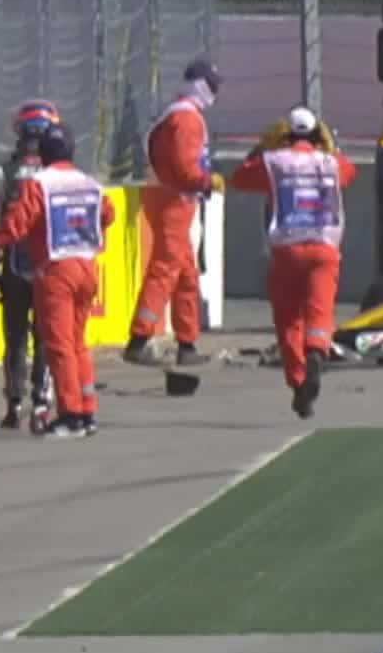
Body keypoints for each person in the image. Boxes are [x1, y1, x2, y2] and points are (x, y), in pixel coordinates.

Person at [0, 122, 116, 440]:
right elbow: (108, 214)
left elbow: (14, 226)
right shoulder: (89, 183)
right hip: (87, 268)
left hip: (56, 271)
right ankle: (87, 411)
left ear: (42, 154)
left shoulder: (38, 185)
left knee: (59, 346)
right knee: (78, 343)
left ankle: (70, 415)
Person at [228, 106, 357, 420]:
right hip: (324, 247)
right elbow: (350, 173)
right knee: (319, 312)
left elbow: (239, 178)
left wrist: (262, 146)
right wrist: (329, 147)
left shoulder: (272, 162)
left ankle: (298, 382)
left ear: (285, 134)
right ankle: (316, 352)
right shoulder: (331, 162)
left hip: (286, 249)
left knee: (288, 320)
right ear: (316, 134)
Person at [0, 100, 61, 429]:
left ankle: (14, 403)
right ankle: (42, 400)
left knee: (15, 336)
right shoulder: (56, 174)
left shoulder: (3, 173)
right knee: (45, 336)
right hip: (48, 266)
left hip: (14, 265)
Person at [126, 58, 225, 368]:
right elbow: (185, 167)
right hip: (174, 200)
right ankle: (139, 339)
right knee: (167, 267)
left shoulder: (175, 113)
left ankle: (187, 343)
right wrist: (207, 181)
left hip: (170, 197)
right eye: (212, 85)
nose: (215, 92)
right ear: (201, 85)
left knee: (185, 273)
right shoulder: (187, 119)